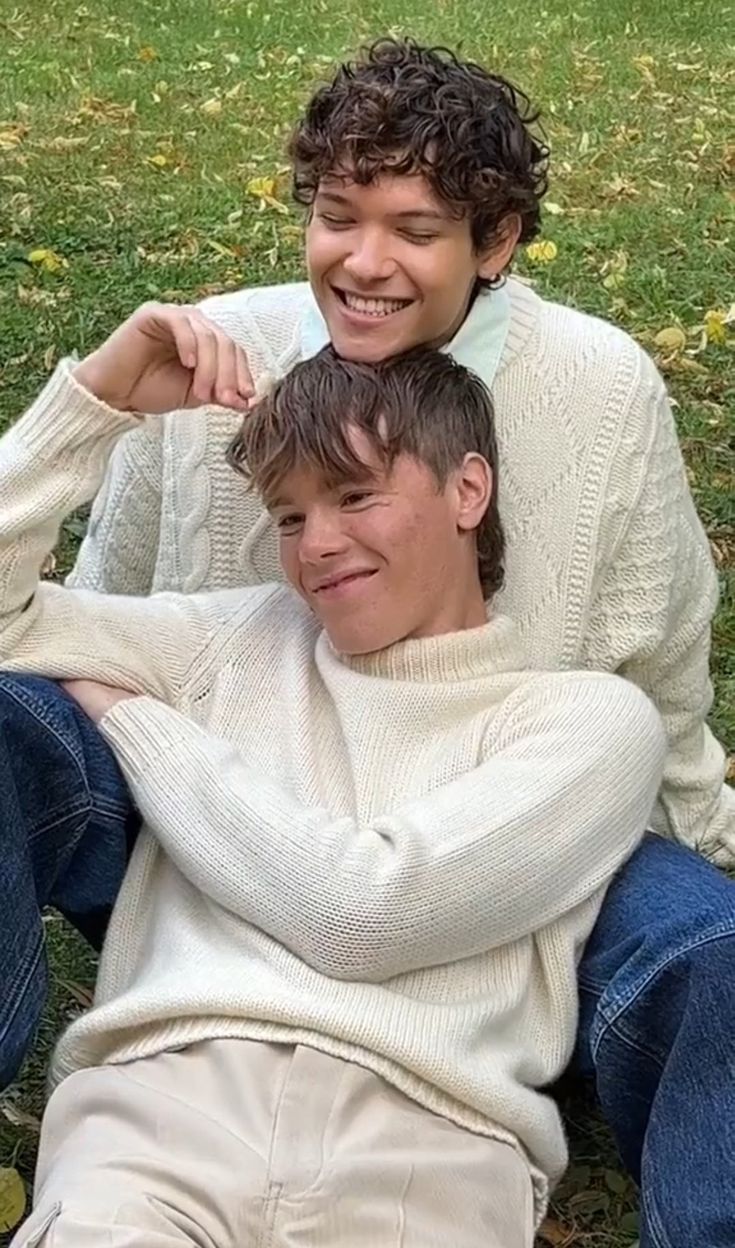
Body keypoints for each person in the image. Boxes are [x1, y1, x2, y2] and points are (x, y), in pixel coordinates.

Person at [0, 35, 733, 1246]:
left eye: (417, 228)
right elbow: (90, 596)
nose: (367, 261)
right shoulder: (211, 367)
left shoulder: (597, 389)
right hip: (211, 801)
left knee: (708, 947)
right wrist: (94, 407)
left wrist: (690, 826)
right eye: (340, 216)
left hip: (500, 810)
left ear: (493, 246)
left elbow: (652, 661)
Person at [4, 343, 664, 1246]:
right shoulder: (230, 640)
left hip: (425, 1147)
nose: (314, 544)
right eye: (287, 515)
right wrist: (94, 399)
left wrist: (139, 723)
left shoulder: (582, 722)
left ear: (467, 491)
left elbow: (366, 913)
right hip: (163, 1114)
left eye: (355, 497)